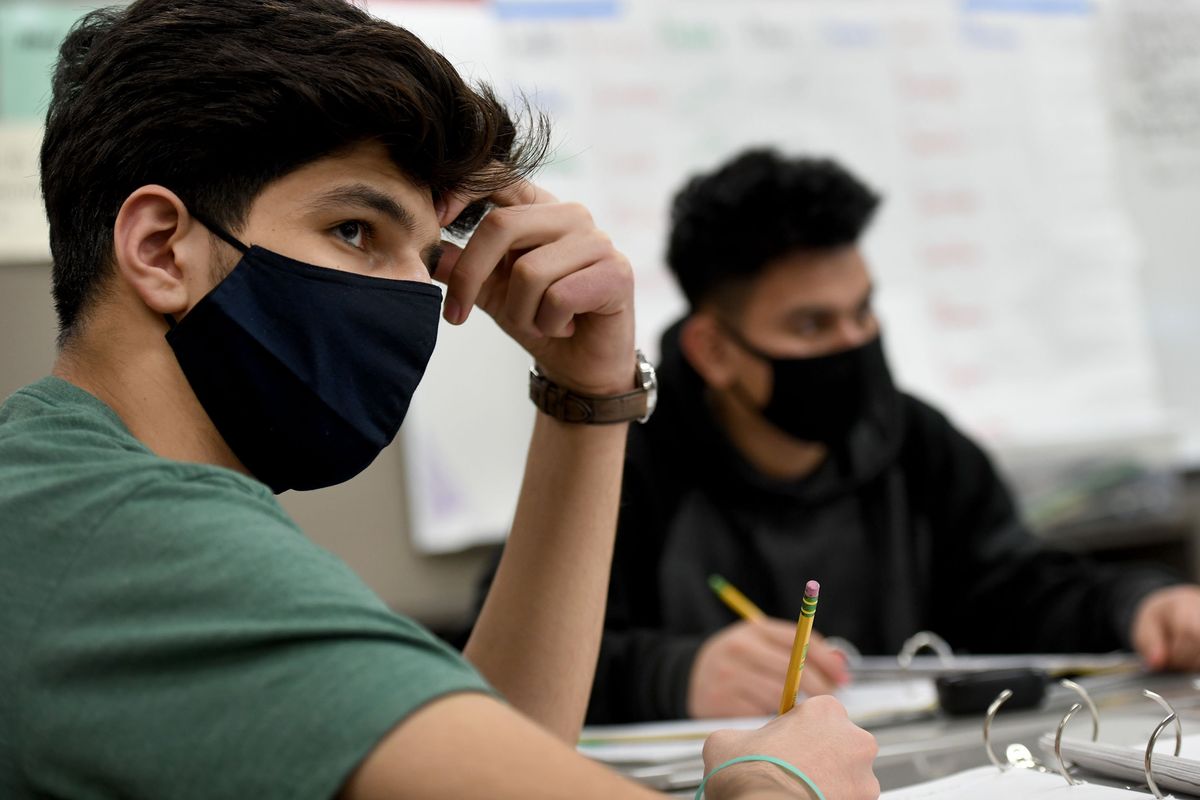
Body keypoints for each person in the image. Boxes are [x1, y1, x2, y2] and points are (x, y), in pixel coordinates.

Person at [0, 4, 880, 799]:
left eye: (424, 257)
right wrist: (787, 786)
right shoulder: (131, 536)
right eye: (355, 232)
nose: (415, 298)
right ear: (161, 249)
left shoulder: (60, 487)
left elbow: (493, 756)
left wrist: (588, 395)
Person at [583, 148, 1200, 723]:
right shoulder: (618, 465)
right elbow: (503, 664)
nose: (853, 344)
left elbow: (1016, 591)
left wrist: (1140, 607)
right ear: (714, 349)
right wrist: (671, 674)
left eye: (862, 311)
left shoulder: (914, 440)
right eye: (811, 325)